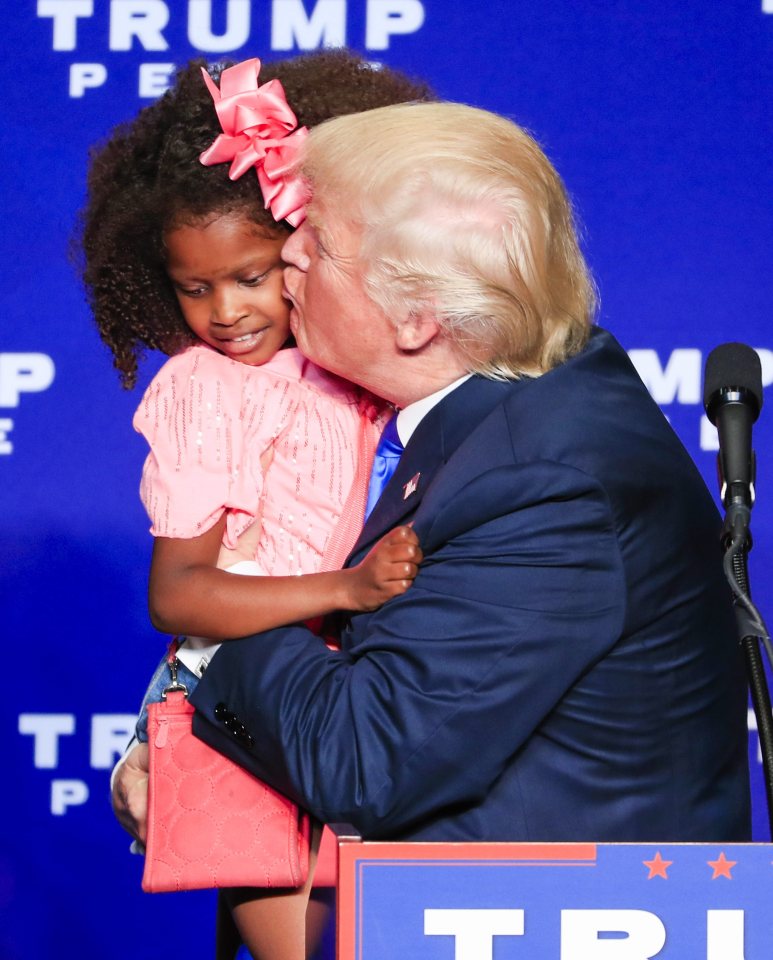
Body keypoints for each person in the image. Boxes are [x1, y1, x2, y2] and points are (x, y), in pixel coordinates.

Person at [114, 101, 751, 867]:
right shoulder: (488, 414)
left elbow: (358, 765)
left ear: (415, 317)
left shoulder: (546, 483)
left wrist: (215, 636)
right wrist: (175, 746)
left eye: (315, 243)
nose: (289, 262)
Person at [81, 52, 432, 960]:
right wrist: (344, 591)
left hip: (346, 690)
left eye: (252, 274)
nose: (224, 311)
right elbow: (182, 595)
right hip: (237, 695)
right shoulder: (206, 392)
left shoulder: (352, 363)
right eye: (193, 288)